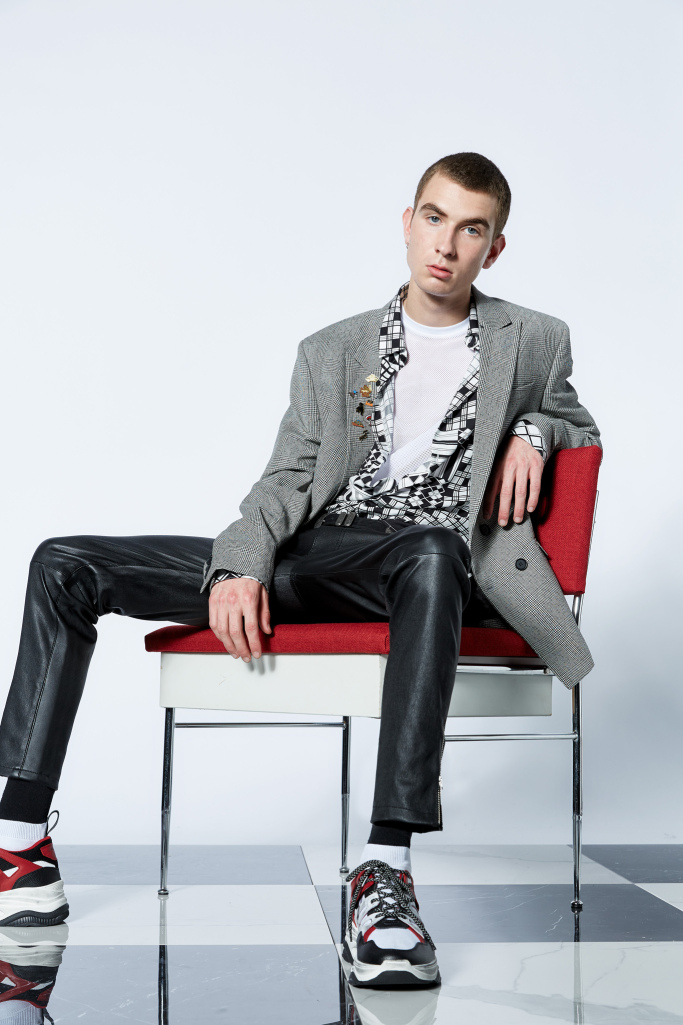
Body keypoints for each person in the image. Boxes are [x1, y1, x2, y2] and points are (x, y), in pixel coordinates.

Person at [0, 153, 600, 988]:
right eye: (433, 218)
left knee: (434, 549)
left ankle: (384, 872)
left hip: (425, 566)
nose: (446, 244)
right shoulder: (332, 349)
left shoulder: (532, 337)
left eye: (471, 229)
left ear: (492, 249)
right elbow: (287, 478)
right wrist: (241, 566)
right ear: (407, 222)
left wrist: (534, 431)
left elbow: (575, 420)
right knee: (64, 563)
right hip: (320, 552)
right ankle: (19, 843)